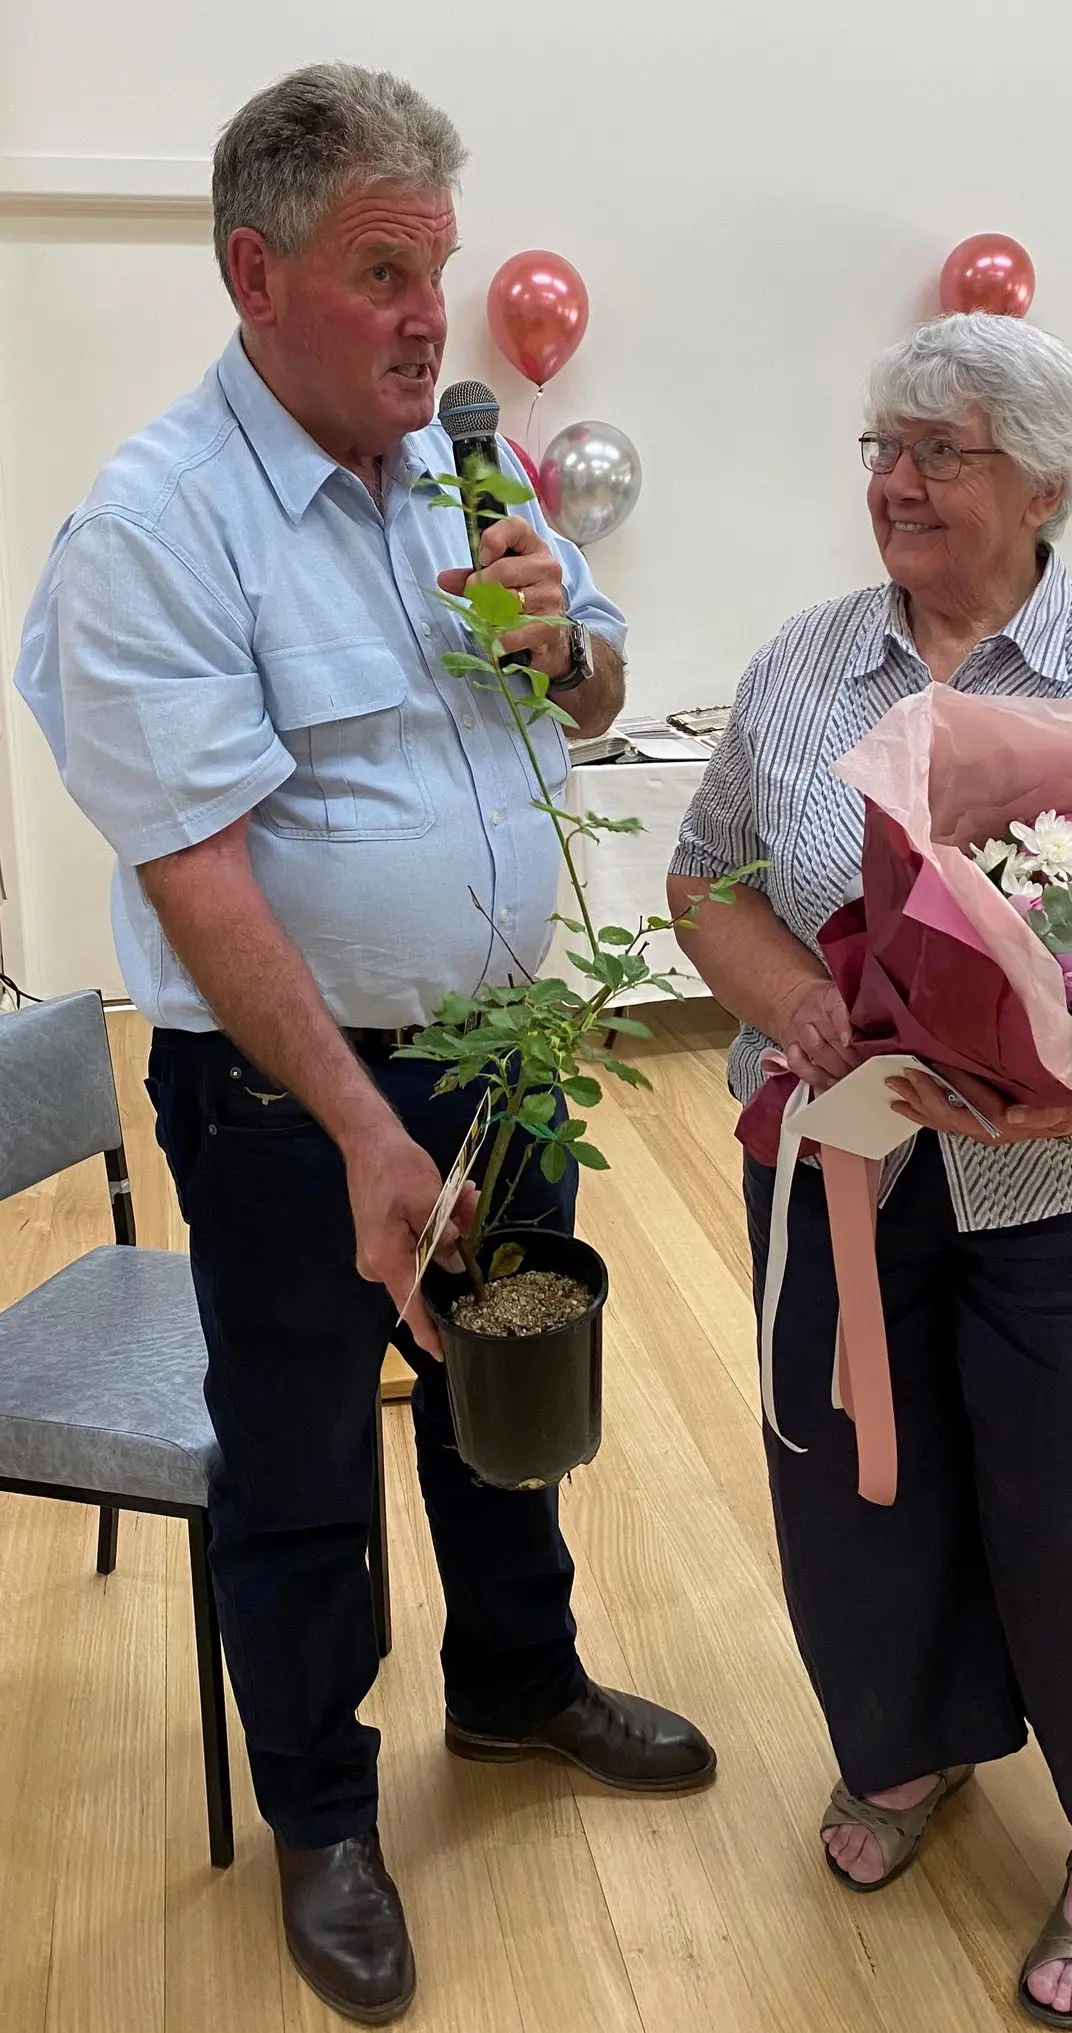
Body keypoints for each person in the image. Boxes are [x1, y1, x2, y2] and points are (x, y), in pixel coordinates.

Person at [17, 63, 714, 2027]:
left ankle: (512, 1685)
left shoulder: (461, 471)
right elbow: (202, 876)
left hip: (501, 1046)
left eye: (444, 268)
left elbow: (596, 690)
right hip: (286, 1092)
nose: (433, 316)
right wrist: (356, 1128)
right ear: (256, 273)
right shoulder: (157, 527)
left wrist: (563, 645)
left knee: (510, 1400)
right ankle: (324, 1808)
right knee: (306, 1450)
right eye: (383, 271)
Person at [670, 314, 1072, 2028]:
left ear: (1046, 481)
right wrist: (791, 999)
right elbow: (709, 878)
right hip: (838, 1161)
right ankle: (906, 1752)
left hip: (1071, 1185)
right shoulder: (800, 665)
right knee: (854, 1477)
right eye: (881, 449)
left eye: (942, 451)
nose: (897, 483)